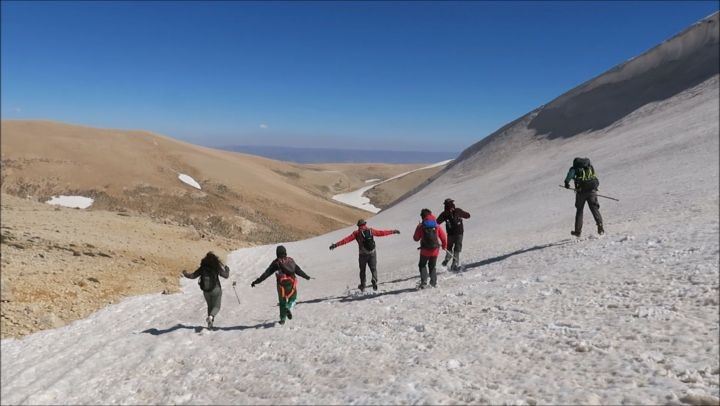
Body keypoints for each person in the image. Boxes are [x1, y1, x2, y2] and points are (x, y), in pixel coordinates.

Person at [329, 219, 400, 292]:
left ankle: (363, 285)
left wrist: (336, 245)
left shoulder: (356, 233)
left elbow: (346, 240)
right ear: (365, 224)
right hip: (372, 253)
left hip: (362, 254)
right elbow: (381, 233)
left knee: (362, 270)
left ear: (358, 226)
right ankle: (374, 279)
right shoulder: (370, 230)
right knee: (373, 268)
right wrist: (393, 231)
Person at [250, 246, 311, 325]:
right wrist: (306, 277)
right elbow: (298, 270)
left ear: (277, 253)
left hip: (281, 285)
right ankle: (288, 307)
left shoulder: (276, 262)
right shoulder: (290, 260)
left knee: (282, 302)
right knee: (293, 298)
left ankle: (282, 319)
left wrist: (256, 281)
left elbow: (266, 274)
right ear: (285, 252)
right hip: (291, 283)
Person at [182, 252, 230, 329]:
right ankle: (211, 317)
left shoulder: (202, 268)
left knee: (210, 306)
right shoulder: (216, 267)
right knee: (217, 306)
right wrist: (227, 270)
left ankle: (210, 325)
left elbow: (192, 276)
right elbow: (226, 276)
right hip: (216, 289)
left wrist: (185, 273)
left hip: (206, 291)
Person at [564, 157, 604, 237]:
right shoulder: (589, 167)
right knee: (594, 208)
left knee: (579, 211)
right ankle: (600, 226)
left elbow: (569, 175)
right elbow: (594, 176)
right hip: (592, 191)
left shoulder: (575, 168)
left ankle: (578, 231)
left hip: (581, 192)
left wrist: (566, 183)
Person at [413, 209, 447, 289]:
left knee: (422, 265)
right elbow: (443, 237)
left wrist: (418, 228)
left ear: (422, 216)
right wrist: (444, 246)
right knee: (432, 266)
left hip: (425, 250)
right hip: (435, 250)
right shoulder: (436, 225)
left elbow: (415, 238)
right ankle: (433, 283)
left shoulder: (421, 226)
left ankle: (424, 282)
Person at [436, 198, 471, 271]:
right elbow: (468, 215)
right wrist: (464, 215)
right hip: (459, 233)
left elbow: (437, 222)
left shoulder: (444, 213)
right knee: (457, 248)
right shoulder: (458, 210)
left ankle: (447, 259)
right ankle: (454, 264)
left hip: (450, 234)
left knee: (449, 247)